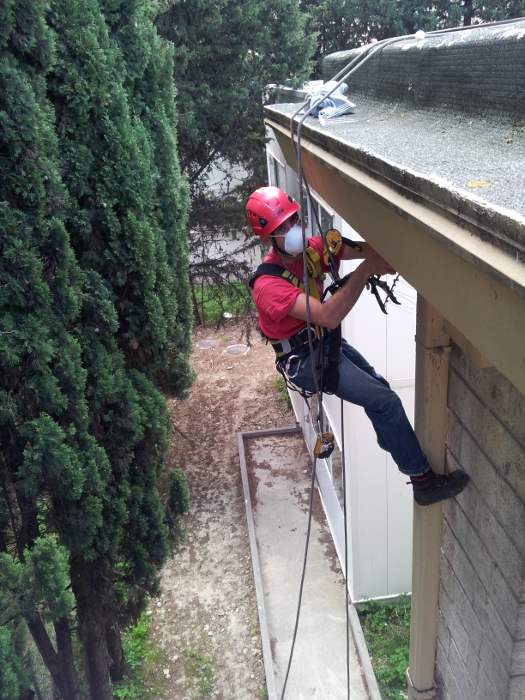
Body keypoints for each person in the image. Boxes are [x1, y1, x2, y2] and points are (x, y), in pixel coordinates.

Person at [246, 185, 469, 506]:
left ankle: (393, 438)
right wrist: (367, 270)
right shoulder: (269, 286)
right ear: (268, 237)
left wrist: (388, 251)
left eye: (293, 221)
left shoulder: (309, 251)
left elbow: (347, 249)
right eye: (282, 228)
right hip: (305, 361)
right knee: (386, 402)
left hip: (322, 345)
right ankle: (423, 482)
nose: (292, 230)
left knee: (380, 389)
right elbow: (328, 315)